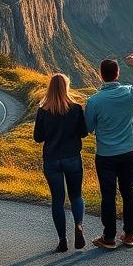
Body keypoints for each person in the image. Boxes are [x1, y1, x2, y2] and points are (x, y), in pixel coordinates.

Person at [84, 52, 133, 249]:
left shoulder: (94, 101)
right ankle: (130, 235)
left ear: (101, 75)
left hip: (105, 155)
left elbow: (88, 128)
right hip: (128, 153)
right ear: (117, 73)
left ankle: (109, 238)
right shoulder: (131, 93)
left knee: (108, 195)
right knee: (128, 192)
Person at [33, 73, 88, 253]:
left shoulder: (43, 111)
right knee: (76, 196)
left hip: (52, 160)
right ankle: (78, 225)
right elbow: (83, 132)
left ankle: (62, 240)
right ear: (66, 87)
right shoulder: (76, 109)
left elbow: (37, 138)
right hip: (72, 157)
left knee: (58, 200)